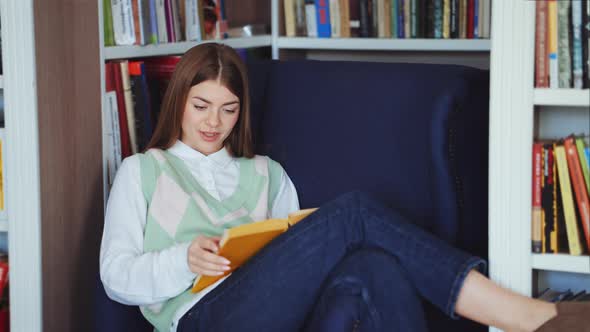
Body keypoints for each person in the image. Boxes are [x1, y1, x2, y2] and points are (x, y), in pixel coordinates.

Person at [99, 43, 589, 332]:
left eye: (228, 109)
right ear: (179, 100)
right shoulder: (143, 170)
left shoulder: (265, 173)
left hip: (277, 311)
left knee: (371, 266)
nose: (214, 122)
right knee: (354, 213)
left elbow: (289, 248)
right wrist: (183, 259)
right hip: (201, 318)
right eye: (201, 105)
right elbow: (115, 278)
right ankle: (524, 317)